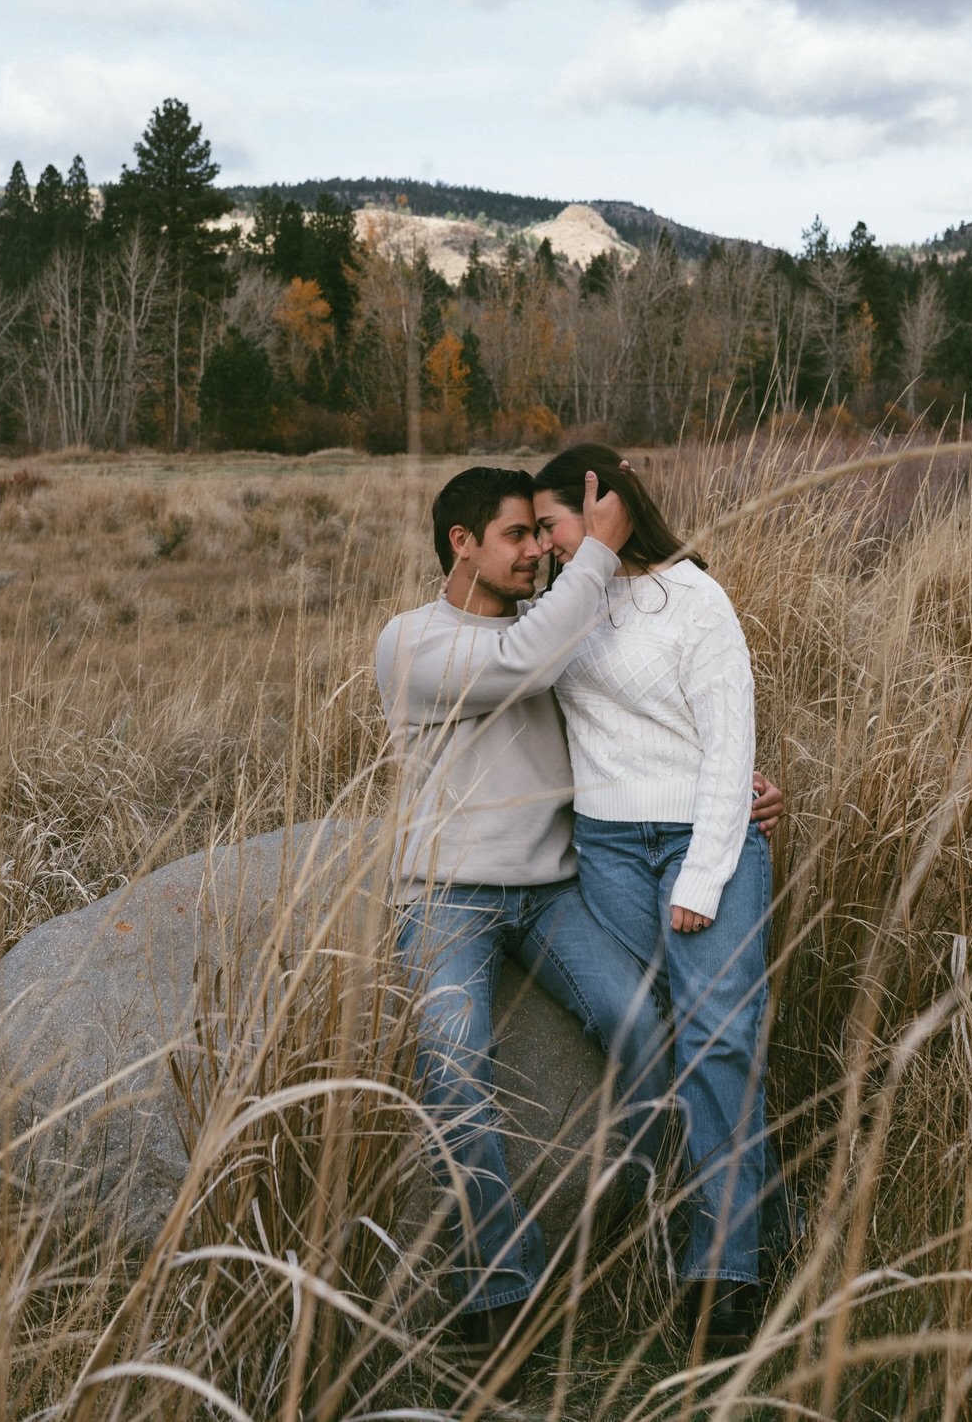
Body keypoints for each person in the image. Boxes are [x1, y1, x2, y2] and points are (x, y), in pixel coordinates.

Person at [375, 465, 782, 1374]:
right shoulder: (411, 640)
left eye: (542, 533)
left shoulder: (549, 625)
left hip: (554, 893)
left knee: (646, 1026)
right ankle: (501, 1289)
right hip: (444, 893)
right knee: (450, 1064)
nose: (538, 551)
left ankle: (687, 1230)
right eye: (518, 535)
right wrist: (599, 544)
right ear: (461, 542)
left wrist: (730, 793)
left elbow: (633, 716)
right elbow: (525, 666)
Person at [530, 444, 776, 1356]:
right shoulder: (561, 605)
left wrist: (705, 875)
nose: (548, 546)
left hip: (693, 842)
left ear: (606, 503)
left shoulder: (694, 598)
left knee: (720, 1037)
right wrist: (577, 567)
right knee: (696, 1037)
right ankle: (765, 1230)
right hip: (607, 850)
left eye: (555, 524)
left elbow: (728, 743)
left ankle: (721, 1276)